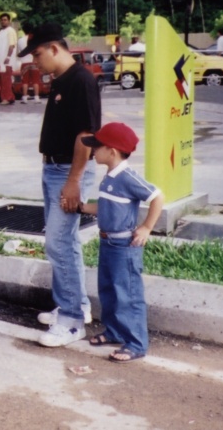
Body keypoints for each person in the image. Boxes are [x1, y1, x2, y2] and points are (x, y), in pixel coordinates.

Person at [18, 23, 100, 347]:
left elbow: (86, 135)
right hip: (54, 169)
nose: (35, 62)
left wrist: (74, 181)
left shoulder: (81, 80)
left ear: (54, 48)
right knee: (66, 242)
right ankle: (75, 305)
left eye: (37, 54)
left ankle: (71, 322)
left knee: (58, 243)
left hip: (69, 171)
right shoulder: (60, 81)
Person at [79, 122, 164, 363]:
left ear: (112, 151)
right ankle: (115, 331)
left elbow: (157, 197)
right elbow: (105, 207)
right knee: (108, 290)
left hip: (124, 246)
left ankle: (136, 343)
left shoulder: (127, 177)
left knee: (127, 294)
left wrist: (146, 227)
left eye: (97, 147)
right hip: (107, 243)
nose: (93, 151)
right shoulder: (109, 177)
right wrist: (81, 208)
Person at [0, 13, 18, 104]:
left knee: (6, 80)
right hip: (0, 61)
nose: (3, 21)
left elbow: (12, 45)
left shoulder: (10, 31)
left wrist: (8, 57)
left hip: (7, 61)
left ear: (9, 21)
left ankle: (6, 98)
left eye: (5, 20)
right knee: (1, 80)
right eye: (2, 20)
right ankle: (9, 97)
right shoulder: (1, 32)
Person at [14, 23, 41, 103]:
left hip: (24, 62)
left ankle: (25, 98)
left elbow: (19, 52)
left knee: (24, 81)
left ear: (23, 30)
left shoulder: (20, 41)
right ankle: (37, 98)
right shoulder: (35, 39)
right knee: (36, 81)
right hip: (34, 62)